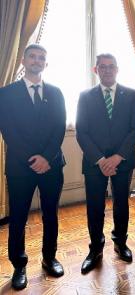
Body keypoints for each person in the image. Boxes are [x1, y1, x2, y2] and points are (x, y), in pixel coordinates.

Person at [0, 44, 66, 290]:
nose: (37, 61)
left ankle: (50, 258)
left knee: (51, 214)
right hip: (20, 167)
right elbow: (9, 131)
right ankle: (19, 265)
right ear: (23, 61)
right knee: (18, 217)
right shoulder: (5, 94)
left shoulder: (57, 92)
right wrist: (33, 159)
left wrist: (46, 157)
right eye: (33, 57)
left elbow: (59, 127)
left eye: (42, 58)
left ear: (46, 64)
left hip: (52, 165)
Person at [76, 53, 135, 274]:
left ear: (117, 69)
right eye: (102, 67)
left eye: (111, 66)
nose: (107, 70)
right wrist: (102, 159)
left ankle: (120, 243)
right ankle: (95, 248)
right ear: (96, 70)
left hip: (123, 161)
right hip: (95, 163)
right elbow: (81, 132)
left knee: (121, 204)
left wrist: (118, 157)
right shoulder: (85, 96)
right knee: (95, 207)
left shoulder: (131, 95)